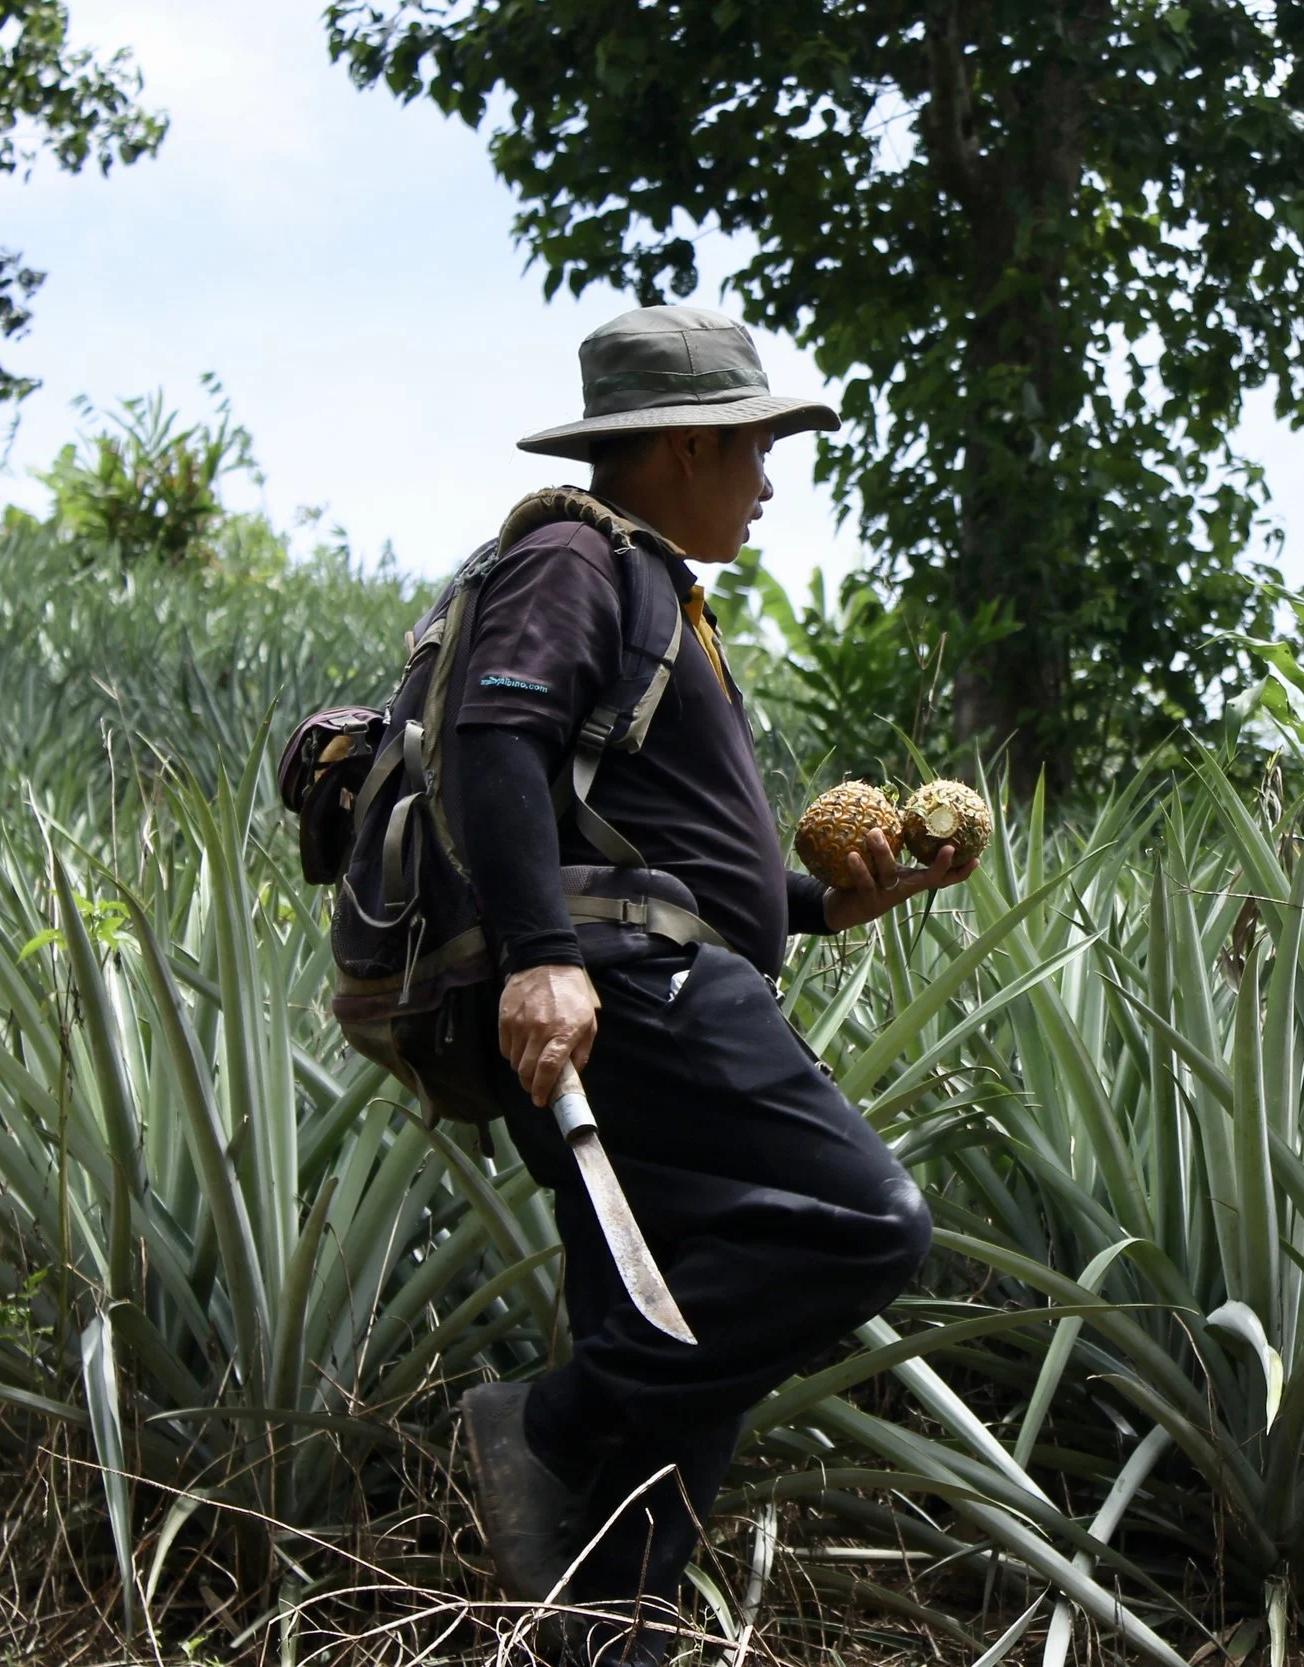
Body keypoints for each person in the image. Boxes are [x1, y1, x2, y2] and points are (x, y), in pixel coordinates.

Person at [451, 305, 965, 1664]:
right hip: (627, 987)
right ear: (684, 443)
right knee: (864, 1222)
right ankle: (547, 1422)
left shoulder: (657, 589)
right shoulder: (573, 555)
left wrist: (823, 901)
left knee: (675, 1350)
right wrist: (542, 954)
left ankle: (610, 1629)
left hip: (654, 971)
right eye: (751, 447)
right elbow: (492, 741)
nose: (769, 480)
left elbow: (660, 850)